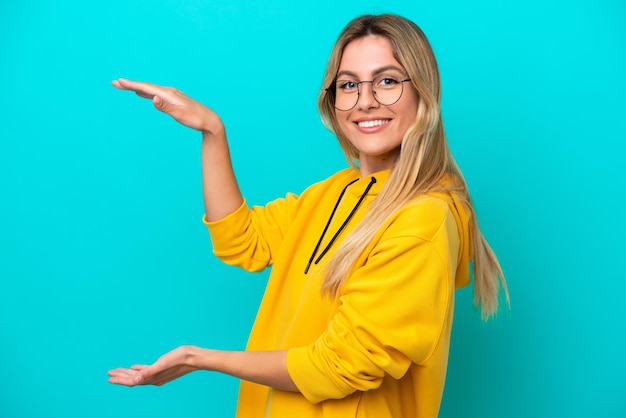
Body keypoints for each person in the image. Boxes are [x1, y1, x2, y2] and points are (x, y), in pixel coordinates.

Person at [108, 13, 509, 418]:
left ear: (423, 92)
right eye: (349, 84)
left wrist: (198, 359)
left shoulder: (424, 219)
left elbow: (338, 366)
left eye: (387, 81)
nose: (365, 100)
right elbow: (241, 241)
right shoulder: (332, 192)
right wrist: (212, 132)